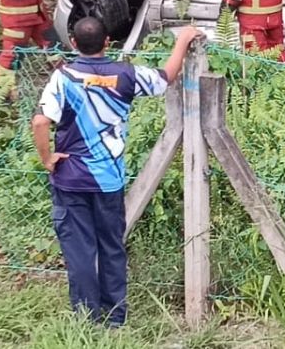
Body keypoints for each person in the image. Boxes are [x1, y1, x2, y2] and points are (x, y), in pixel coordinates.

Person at [31, 18, 201, 327]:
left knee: (80, 251)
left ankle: (86, 319)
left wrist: (47, 158)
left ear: (72, 42)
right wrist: (183, 39)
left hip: (70, 179)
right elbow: (166, 78)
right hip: (109, 180)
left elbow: (41, 122)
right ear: (108, 42)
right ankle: (114, 319)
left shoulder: (63, 78)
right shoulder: (126, 74)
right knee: (111, 247)